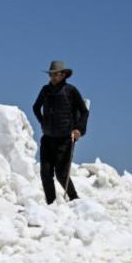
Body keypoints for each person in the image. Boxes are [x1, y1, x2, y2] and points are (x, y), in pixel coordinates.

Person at [32, 60, 90, 205]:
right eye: (51, 74)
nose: (52, 77)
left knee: (61, 174)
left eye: (55, 74)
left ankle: (74, 200)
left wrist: (78, 130)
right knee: (45, 174)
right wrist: (42, 121)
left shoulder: (71, 90)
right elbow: (36, 107)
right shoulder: (45, 90)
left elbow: (84, 111)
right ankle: (50, 204)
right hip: (48, 138)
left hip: (65, 139)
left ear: (63, 75)